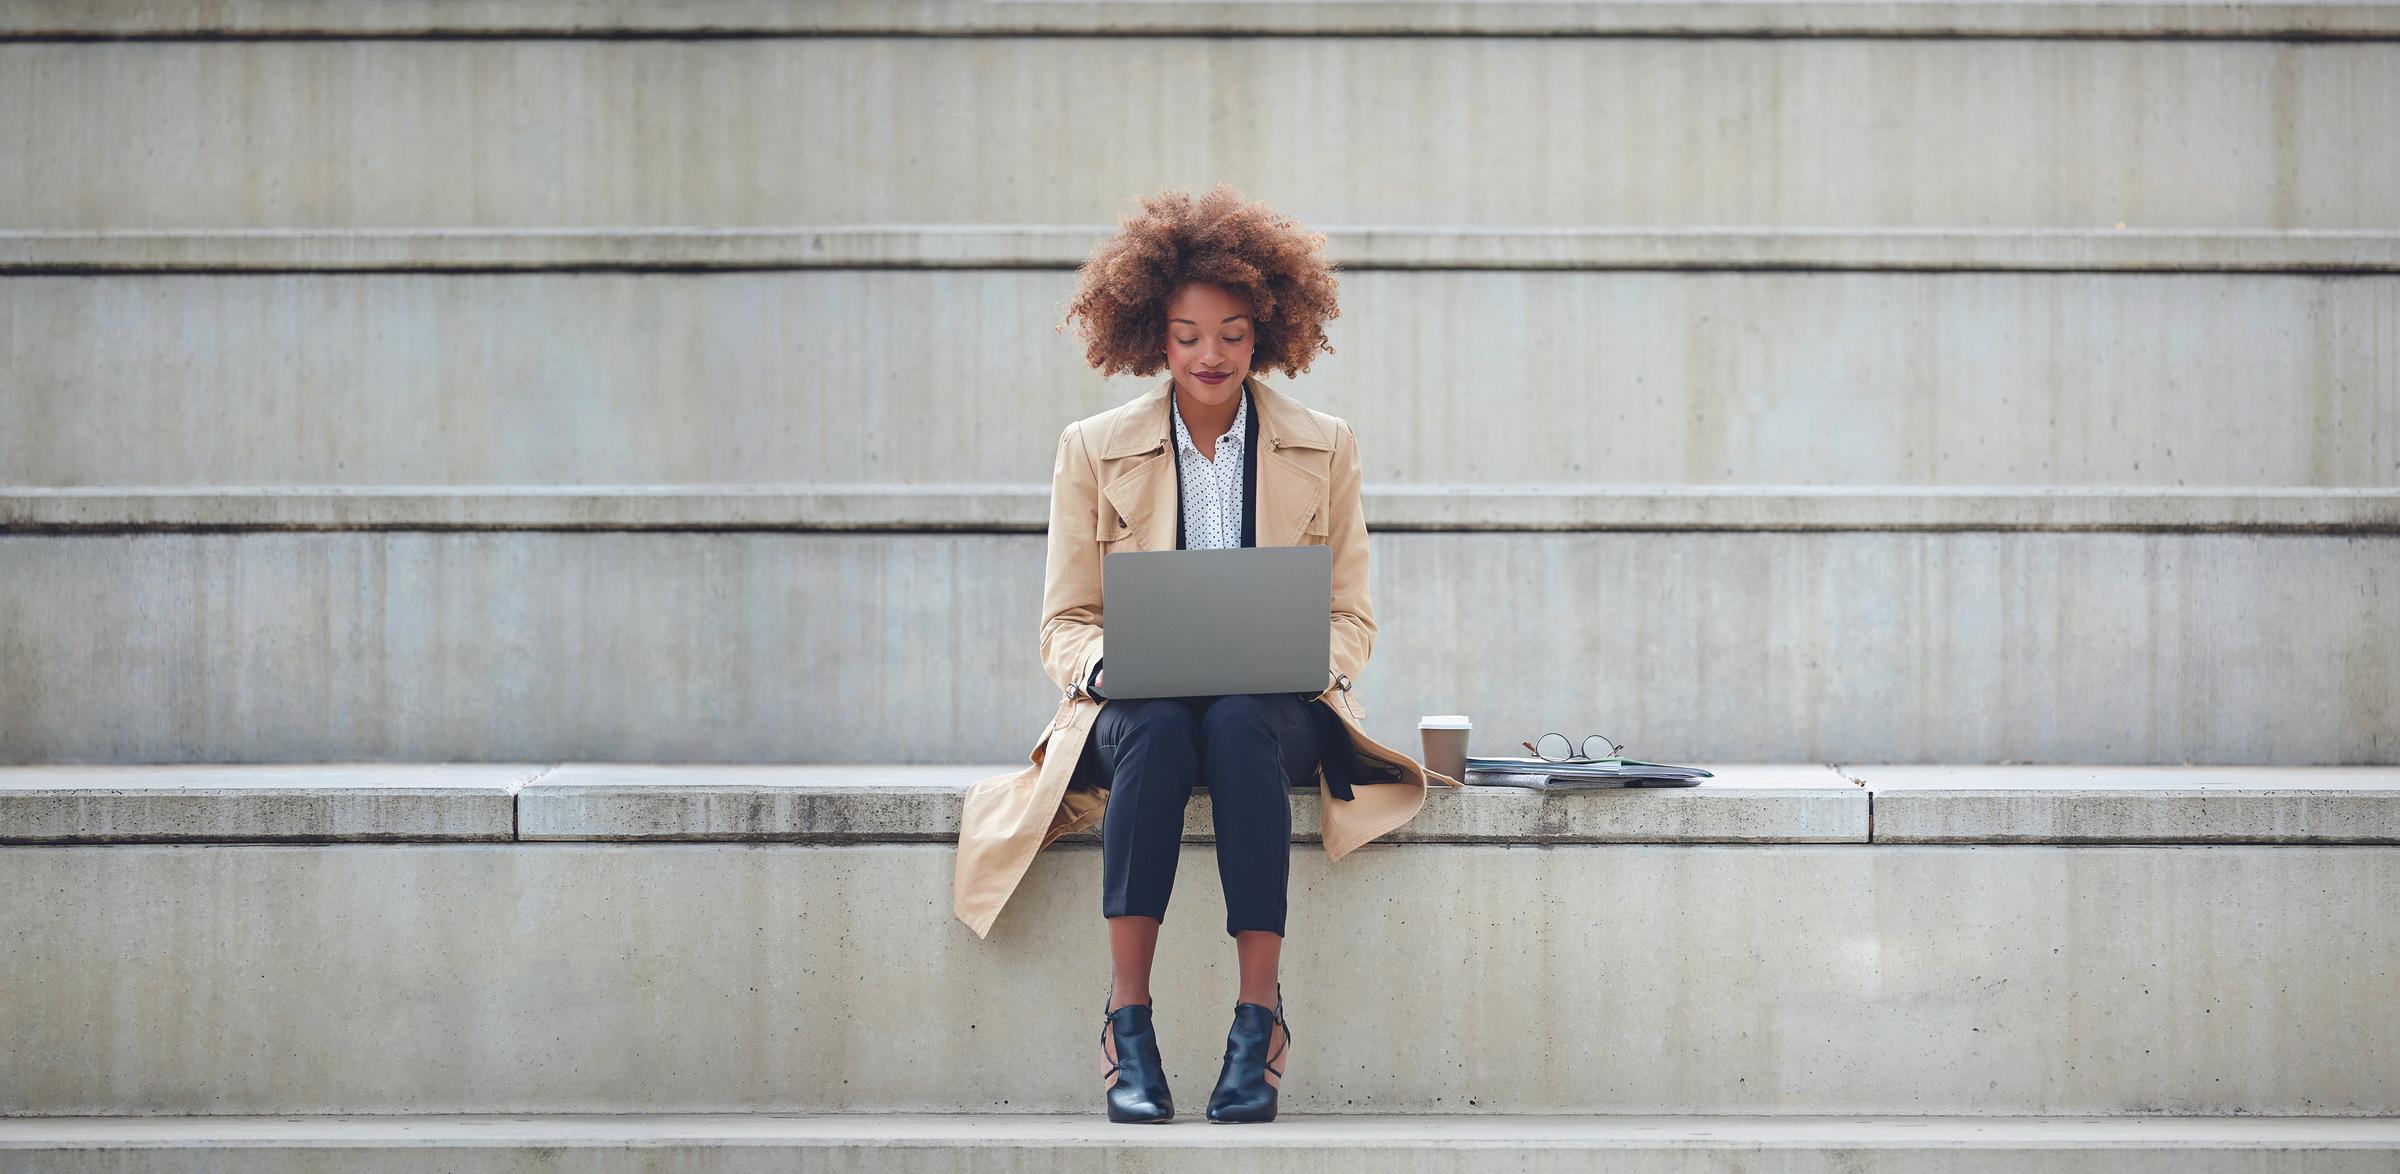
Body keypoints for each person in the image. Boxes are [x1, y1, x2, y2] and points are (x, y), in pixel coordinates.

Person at [950, 184, 1462, 1125]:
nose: (1210, 355)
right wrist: (1104, 667)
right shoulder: (1092, 448)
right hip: (1134, 708)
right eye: (1187, 334)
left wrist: (1321, 663)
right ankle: (1129, 1024)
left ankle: (1256, 1021)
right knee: (1154, 725)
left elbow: (1352, 612)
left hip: (1273, 708)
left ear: (1266, 329)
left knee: (1232, 721)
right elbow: (1064, 619)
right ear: (1153, 333)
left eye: (1231, 332)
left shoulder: (1326, 445)